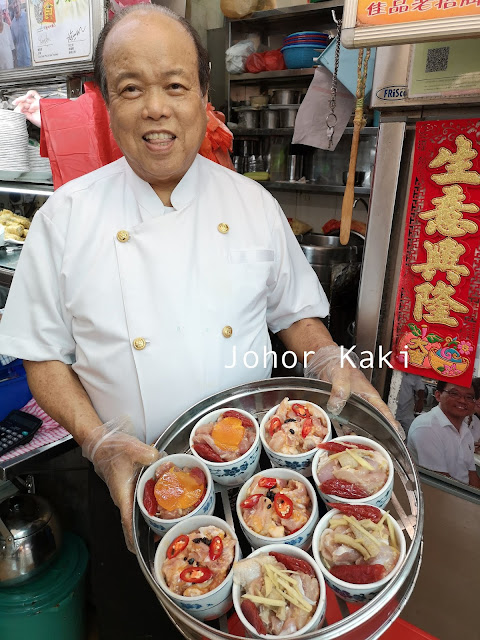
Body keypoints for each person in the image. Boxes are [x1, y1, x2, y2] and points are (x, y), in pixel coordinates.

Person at [0, 6, 398, 637]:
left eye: (175, 85)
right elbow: (41, 357)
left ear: (203, 95)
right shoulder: (64, 218)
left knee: (266, 613)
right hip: (127, 487)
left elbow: (296, 314)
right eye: (131, 88)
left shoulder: (252, 204)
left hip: (258, 487)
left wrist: (327, 358)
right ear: (105, 102)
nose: (156, 108)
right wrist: (99, 446)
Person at [407, 380, 480, 488]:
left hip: (462, 495)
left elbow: (471, 473)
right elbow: (441, 483)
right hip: (440, 496)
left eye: (469, 397)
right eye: (454, 394)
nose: (462, 400)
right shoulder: (427, 428)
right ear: (438, 395)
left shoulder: (465, 431)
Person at [10, 0, 31, 68]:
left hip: (31, 60)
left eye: (16, 2)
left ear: (19, 2)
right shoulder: (12, 24)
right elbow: (13, 45)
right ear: (12, 6)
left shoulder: (28, 17)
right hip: (20, 62)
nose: (15, 5)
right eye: (13, 3)